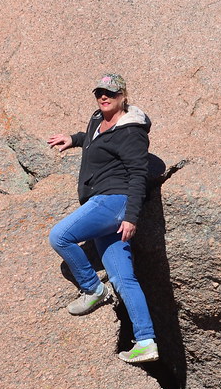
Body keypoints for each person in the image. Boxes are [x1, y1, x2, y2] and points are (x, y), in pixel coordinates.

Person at [46, 73, 157, 364]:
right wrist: (74, 139)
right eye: (99, 93)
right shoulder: (98, 119)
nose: (103, 97)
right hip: (104, 204)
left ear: (123, 96)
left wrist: (131, 216)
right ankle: (146, 340)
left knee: (60, 236)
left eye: (110, 93)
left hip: (114, 202)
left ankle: (93, 288)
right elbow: (96, 142)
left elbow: (137, 175)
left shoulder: (131, 131)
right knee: (123, 278)